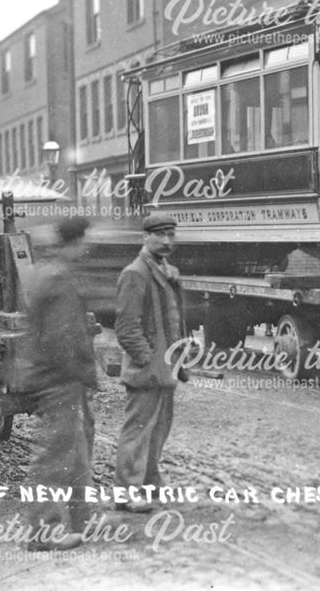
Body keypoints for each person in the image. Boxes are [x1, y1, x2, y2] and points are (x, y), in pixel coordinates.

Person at [21, 216, 97, 551]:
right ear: (74, 243)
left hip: (58, 379)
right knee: (54, 459)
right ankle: (41, 533)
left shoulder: (48, 273)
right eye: (83, 241)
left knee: (76, 455)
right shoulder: (59, 281)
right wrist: (83, 372)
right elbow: (63, 340)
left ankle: (86, 520)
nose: (87, 247)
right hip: (59, 381)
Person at [114, 212, 187, 512]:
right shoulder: (135, 273)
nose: (167, 241)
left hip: (166, 367)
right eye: (160, 235)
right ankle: (127, 492)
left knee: (158, 429)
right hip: (149, 370)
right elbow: (126, 329)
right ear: (145, 237)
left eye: (171, 235)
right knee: (138, 430)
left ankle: (149, 482)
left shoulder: (166, 271)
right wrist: (147, 361)